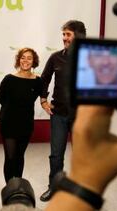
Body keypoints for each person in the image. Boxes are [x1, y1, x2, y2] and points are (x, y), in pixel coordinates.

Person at [39, 20, 87, 202]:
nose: (64, 38)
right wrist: (43, 100)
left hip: (81, 116)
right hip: (58, 114)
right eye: (64, 35)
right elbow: (44, 79)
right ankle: (54, 187)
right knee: (56, 155)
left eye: (68, 34)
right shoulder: (55, 57)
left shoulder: (90, 58)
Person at [0, 48, 43, 183]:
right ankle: (10, 188)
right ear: (19, 60)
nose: (26, 61)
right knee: (10, 157)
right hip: (9, 123)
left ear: (34, 61)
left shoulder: (38, 81)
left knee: (19, 156)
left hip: (26, 124)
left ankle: (17, 185)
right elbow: (2, 98)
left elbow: (42, 97)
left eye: (29, 58)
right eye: (23, 57)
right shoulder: (9, 79)